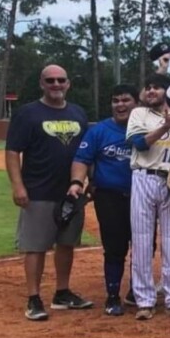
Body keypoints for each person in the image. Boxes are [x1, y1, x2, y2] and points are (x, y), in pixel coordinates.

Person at [6, 65, 91, 320]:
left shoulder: (78, 113)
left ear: (68, 84)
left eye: (61, 80)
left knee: (66, 243)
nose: (56, 84)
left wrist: (89, 180)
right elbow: (12, 152)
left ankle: (62, 293)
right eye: (50, 81)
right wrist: (18, 186)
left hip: (70, 192)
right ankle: (33, 298)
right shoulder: (28, 113)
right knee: (36, 246)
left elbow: (86, 151)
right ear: (42, 84)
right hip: (38, 191)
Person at [126, 73, 170, 320]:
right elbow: (139, 144)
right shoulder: (138, 114)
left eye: (156, 87)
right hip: (144, 177)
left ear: (169, 91)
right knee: (142, 241)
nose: (151, 91)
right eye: (148, 87)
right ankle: (144, 301)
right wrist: (166, 125)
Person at [67, 84, 139, 316]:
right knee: (115, 247)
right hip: (109, 197)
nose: (120, 105)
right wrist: (77, 182)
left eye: (126, 100)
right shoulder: (99, 130)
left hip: (143, 197)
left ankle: (137, 291)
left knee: (144, 246)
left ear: (136, 103)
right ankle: (112, 295)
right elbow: (82, 158)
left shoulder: (147, 129)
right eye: (115, 100)